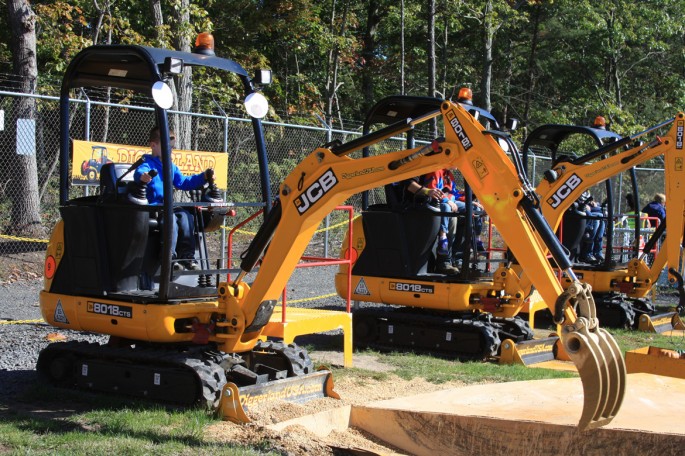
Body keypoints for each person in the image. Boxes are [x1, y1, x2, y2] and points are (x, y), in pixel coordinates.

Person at [135, 126, 213, 271]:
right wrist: (143, 177)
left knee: (186, 217)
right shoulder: (147, 163)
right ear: (153, 145)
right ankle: (168, 257)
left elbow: (183, 182)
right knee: (170, 220)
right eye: (167, 147)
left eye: (172, 147)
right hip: (154, 207)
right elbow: (139, 173)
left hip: (167, 206)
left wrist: (203, 177)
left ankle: (187, 257)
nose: (170, 150)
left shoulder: (170, 166)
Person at [404, 170, 460, 275]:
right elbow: (410, 186)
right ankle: (444, 261)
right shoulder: (421, 166)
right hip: (415, 206)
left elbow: (451, 192)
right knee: (449, 214)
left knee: (463, 213)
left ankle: (456, 259)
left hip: (435, 202)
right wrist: (427, 191)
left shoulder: (446, 173)